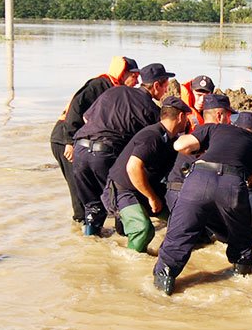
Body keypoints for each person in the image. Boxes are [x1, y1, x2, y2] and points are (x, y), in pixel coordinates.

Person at [153, 107, 252, 295]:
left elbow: (180, 146)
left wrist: (202, 149)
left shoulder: (215, 128)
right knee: (240, 232)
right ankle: (242, 274)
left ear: (234, 123)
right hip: (232, 185)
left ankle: (164, 282)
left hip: (199, 179)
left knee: (180, 232)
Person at [72, 63, 174, 236]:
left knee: (93, 207)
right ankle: (124, 242)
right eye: (165, 86)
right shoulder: (151, 110)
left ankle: (91, 243)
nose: (166, 91)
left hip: (80, 150)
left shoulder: (114, 91)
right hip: (105, 154)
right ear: (156, 85)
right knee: (121, 198)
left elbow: (85, 116)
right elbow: (150, 145)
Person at [49, 57, 139, 222]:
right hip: (65, 138)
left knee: (94, 189)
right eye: (134, 76)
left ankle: (91, 225)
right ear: (123, 73)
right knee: (79, 190)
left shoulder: (116, 89)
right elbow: (76, 108)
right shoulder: (98, 85)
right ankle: (82, 227)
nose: (137, 81)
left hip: (84, 141)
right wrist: (69, 143)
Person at [103, 96, 192, 252]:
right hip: (123, 190)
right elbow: (133, 168)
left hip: (147, 187)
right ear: (181, 116)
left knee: (183, 218)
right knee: (143, 229)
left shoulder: (170, 139)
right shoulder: (152, 136)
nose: (188, 122)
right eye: (187, 117)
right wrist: (152, 198)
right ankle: (132, 264)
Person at [164, 92, 235, 214]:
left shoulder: (200, 132)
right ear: (219, 116)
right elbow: (179, 145)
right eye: (228, 116)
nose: (229, 121)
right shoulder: (206, 134)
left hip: (184, 190)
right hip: (182, 191)